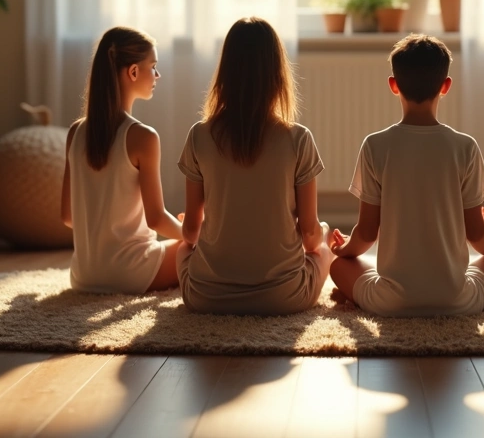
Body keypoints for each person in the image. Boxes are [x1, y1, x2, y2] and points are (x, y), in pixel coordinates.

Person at [328, 34, 484, 317]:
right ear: (446, 86)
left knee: (338, 267)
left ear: (393, 85)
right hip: (457, 302)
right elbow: (475, 233)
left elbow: (366, 233)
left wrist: (345, 251)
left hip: (392, 304)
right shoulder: (465, 147)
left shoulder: (375, 145)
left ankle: (357, 297)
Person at [176, 17, 336, 315]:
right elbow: (310, 238)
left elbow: (190, 235)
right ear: (277, 75)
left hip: (206, 296)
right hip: (284, 298)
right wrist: (323, 233)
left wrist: (196, 223)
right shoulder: (298, 138)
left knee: (182, 250)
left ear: (225, 73)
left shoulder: (199, 135)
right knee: (323, 251)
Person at [62, 26, 184, 294]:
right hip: (132, 274)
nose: (157, 75)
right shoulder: (143, 137)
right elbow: (157, 220)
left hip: (82, 276)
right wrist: (193, 233)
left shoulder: (75, 133)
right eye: (153, 66)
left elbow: (68, 216)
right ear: (132, 72)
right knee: (199, 247)